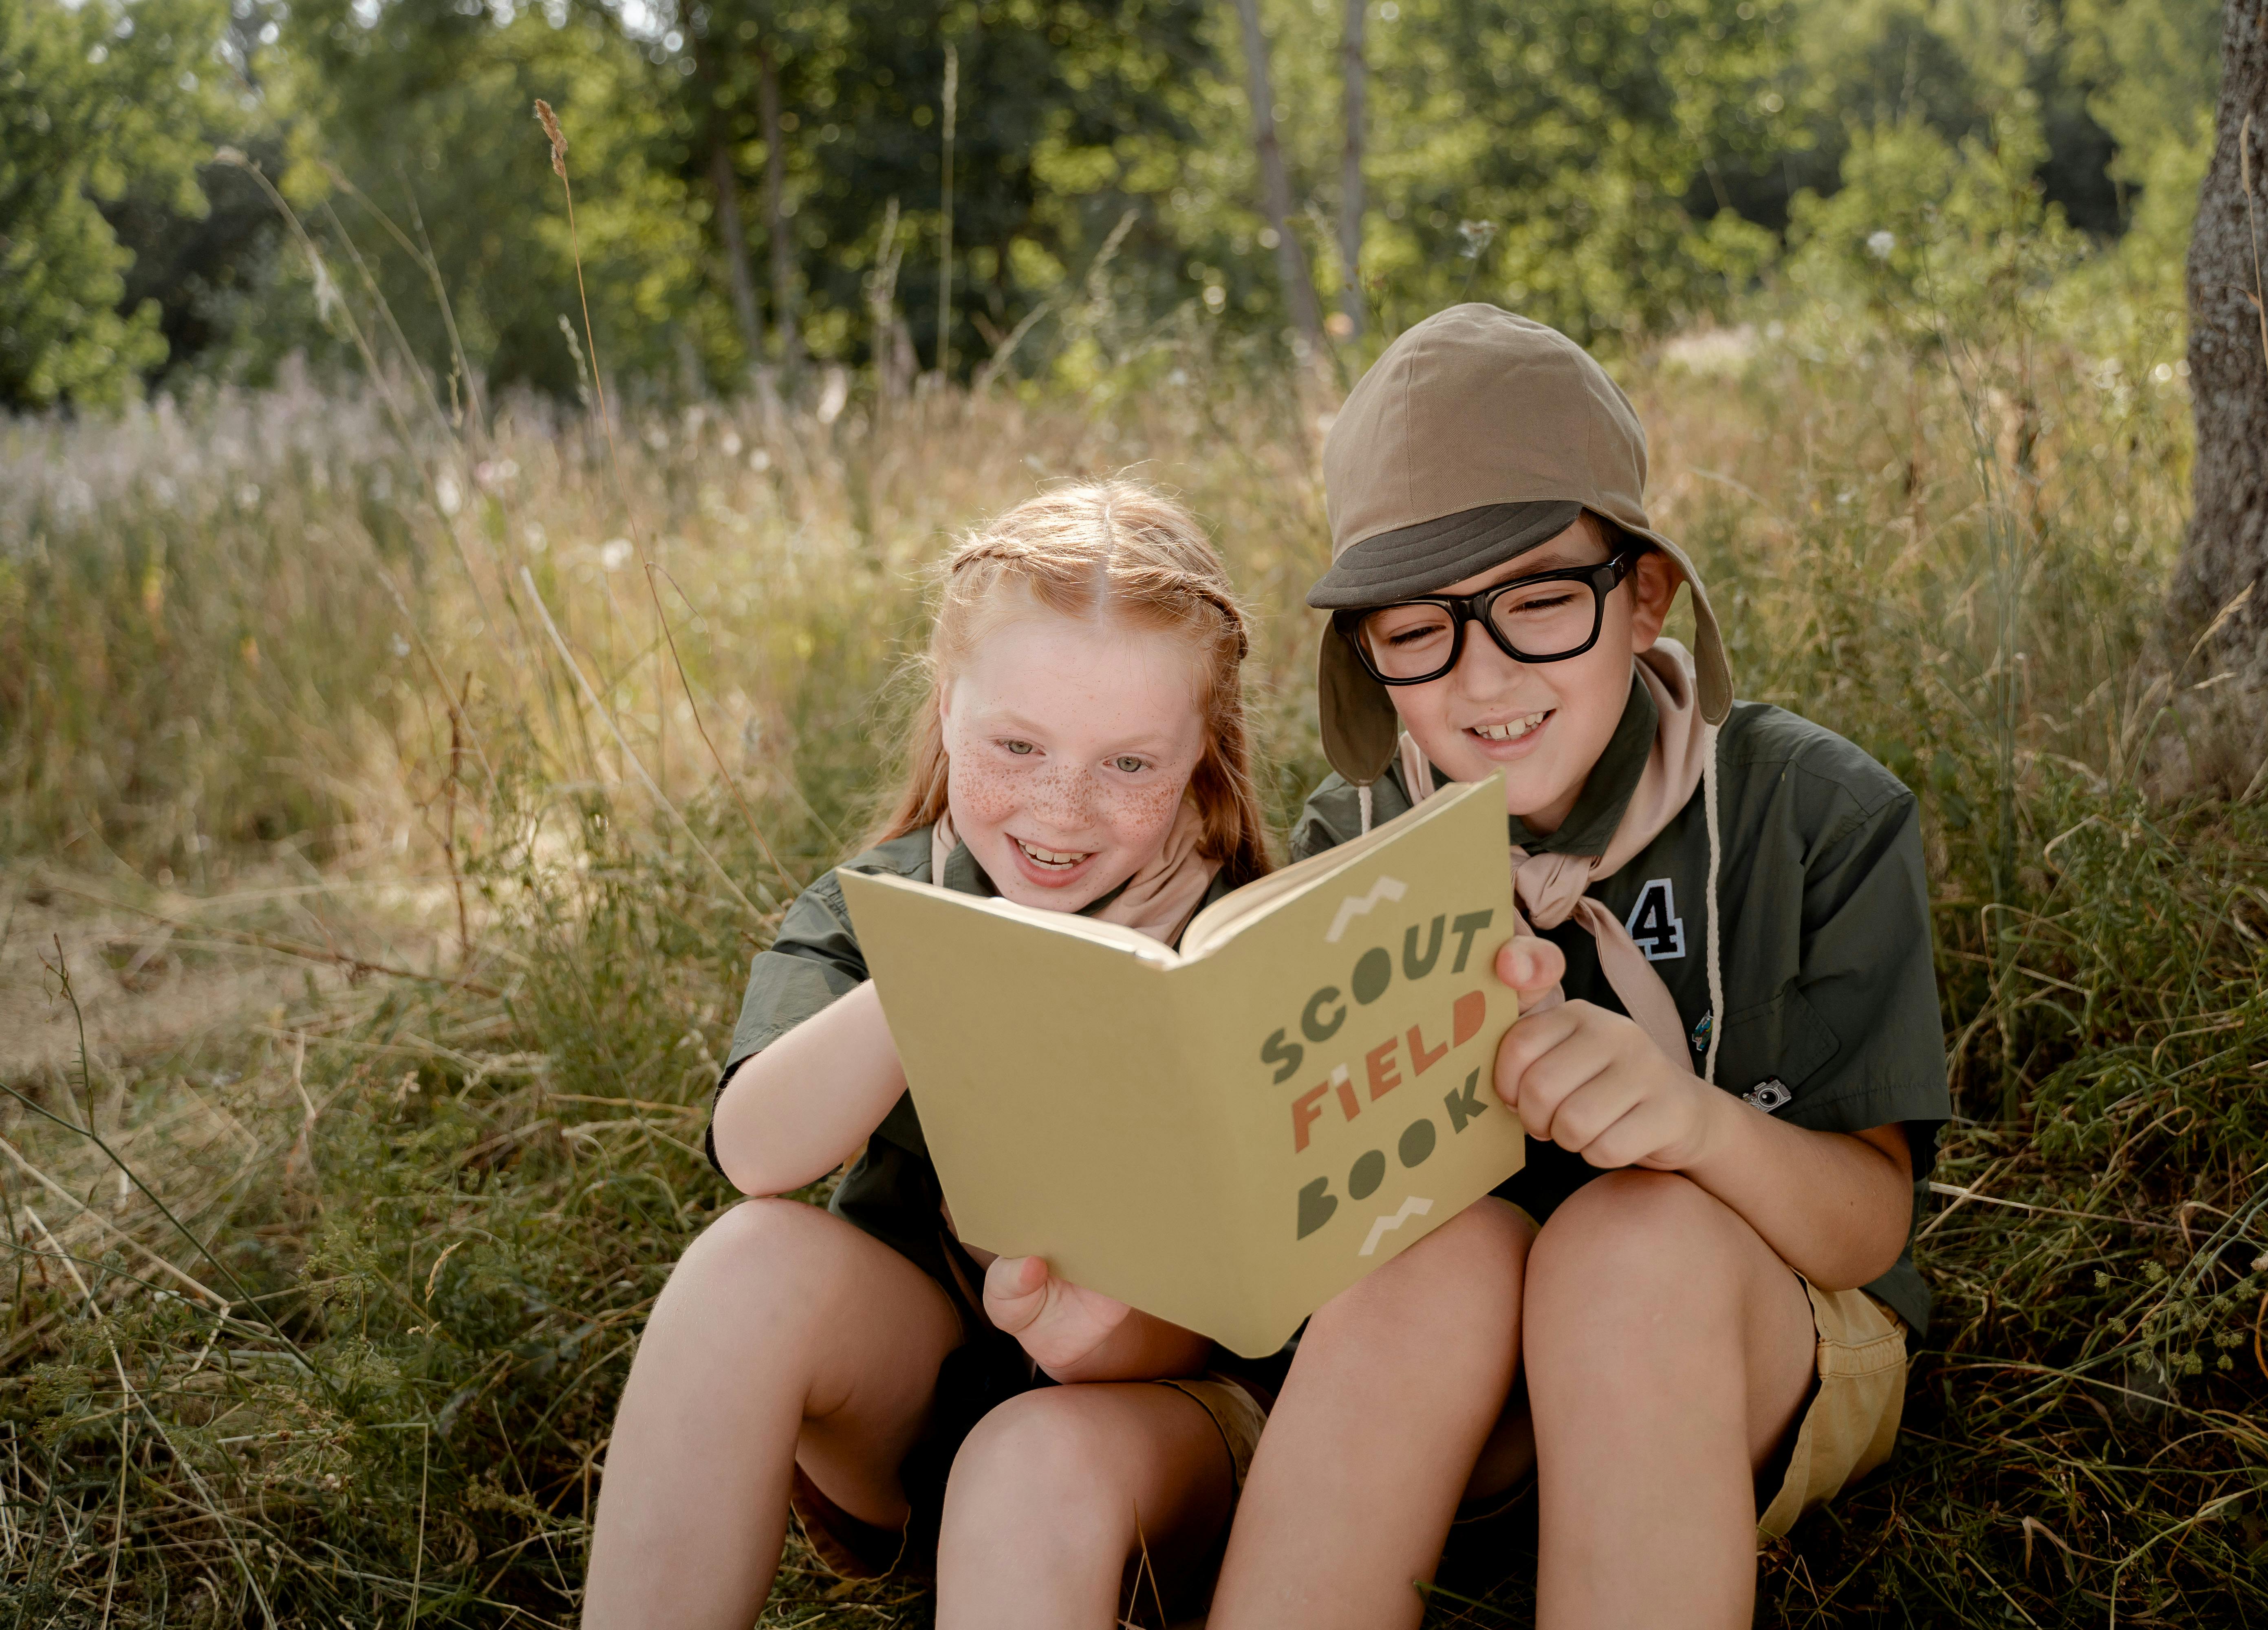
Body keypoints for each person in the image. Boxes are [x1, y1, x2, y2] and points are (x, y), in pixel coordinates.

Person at [1205, 304, 1952, 1629]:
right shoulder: (1352, 845)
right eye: (1415, 629)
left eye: (1540, 602)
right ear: (1368, 651)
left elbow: (1868, 1227)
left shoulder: (1814, 816)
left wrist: (1693, 1124)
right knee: (1435, 1258)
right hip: (1461, 1382)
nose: (1483, 679)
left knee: (1631, 1242)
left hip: (1745, 1336)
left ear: (1645, 593)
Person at [582, 481, 1276, 1628]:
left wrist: (1086, 1317)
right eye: (1017, 744)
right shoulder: (887, 905)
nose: (1060, 810)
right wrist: (954, 964)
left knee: (1031, 1456)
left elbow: (1240, 1312)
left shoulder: (1242, 938)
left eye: (1130, 766)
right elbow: (757, 1149)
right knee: (744, 1263)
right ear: (947, 705)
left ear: (1203, 751)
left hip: (1151, 1434)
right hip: (920, 1403)